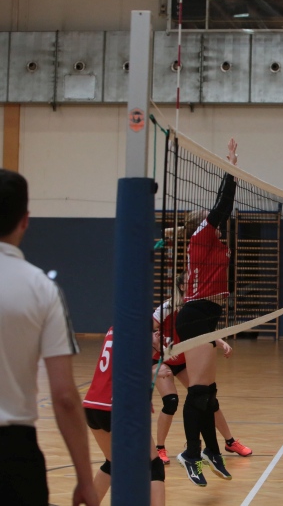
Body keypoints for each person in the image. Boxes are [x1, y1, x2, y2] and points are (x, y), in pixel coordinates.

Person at [0, 169, 99, 506]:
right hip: (14, 455)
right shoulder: (42, 289)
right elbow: (65, 396)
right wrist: (85, 480)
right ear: (25, 220)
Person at [175, 138, 238, 486]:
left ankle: (212, 451)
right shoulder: (201, 235)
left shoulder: (210, 241)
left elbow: (219, 210)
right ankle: (190, 452)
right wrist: (231, 169)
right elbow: (222, 206)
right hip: (196, 315)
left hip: (207, 317)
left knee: (209, 393)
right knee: (199, 392)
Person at [152, 272, 252, 463]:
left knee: (206, 398)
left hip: (183, 360)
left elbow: (204, 333)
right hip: (161, 360)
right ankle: (160, 448)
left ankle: (230, 441)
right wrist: (162, 348)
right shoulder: (168, 307)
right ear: (182, 286)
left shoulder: (196, 307)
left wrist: (221, 342)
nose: (195, 285)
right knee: (171, 402)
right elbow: (148, 328)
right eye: (191, 283)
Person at [82, 327, 166, 505]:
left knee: (112, 464)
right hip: (114, 407)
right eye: (154, 330)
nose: (158, 333)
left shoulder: (117, 328)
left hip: (92, 405)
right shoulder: (135, 329)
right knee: (154, 465)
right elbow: (128, 371)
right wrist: (151, 371)